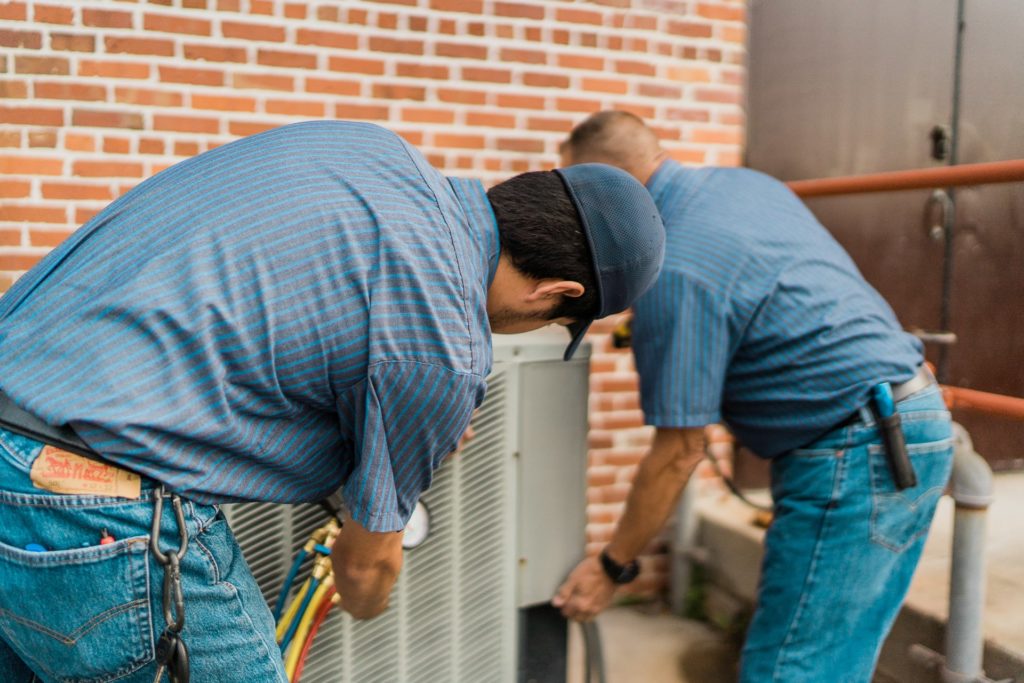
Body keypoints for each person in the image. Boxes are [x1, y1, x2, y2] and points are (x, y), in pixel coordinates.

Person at [0, 119, 665, 682]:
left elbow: (271, 332)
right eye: (551, 325)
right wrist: (370, 593)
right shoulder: (447, 348)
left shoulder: (369, 148)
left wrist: (396, 427)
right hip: (93, 508)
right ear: (557, 294)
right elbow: (366, 560)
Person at [552, 111, 954, 683]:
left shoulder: (673, 268)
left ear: (603, 189)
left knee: (792, 668)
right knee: (833, 659)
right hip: (904, 417)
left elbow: (679, 453)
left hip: (857, 449)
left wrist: (612, 566)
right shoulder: (746, 183)